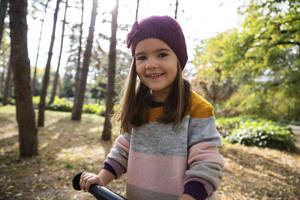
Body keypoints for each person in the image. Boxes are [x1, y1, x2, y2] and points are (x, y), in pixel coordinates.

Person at [80, 15, 224, 200]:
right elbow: (123, 151)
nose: (151, 64)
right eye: (142, 57)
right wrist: (101, 178)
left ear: (178, 59)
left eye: (162, 54)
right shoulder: (139, 107)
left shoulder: (198, 109)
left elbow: (206, 162)